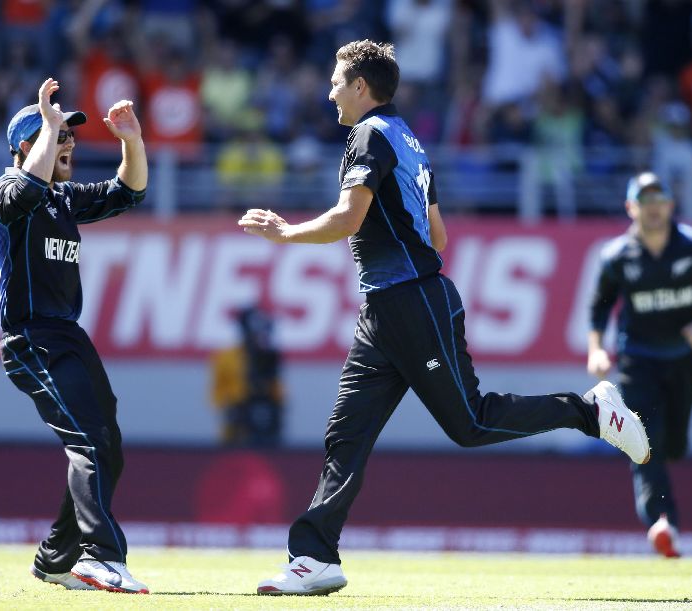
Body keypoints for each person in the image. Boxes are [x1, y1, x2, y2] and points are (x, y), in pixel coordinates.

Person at [238, 39, 650, 596]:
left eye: (337, 81)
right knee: (346, 433)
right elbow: (438, 234)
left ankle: (590, 412)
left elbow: (349, 216)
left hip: (409, 300)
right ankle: (315, 557)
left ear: (361, 87)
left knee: (471, 423)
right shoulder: (408, 138)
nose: (330, 90)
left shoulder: (368, 135)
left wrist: (285, 233)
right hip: (389, 306)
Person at [0, 78, 149, 593]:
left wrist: (131, 140)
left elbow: (130, 191)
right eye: (56, 135)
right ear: (23, 148)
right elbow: (24, 193)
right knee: (88, 441)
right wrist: (46, 131)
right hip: (31, 339)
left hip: (67, 336)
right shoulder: (9, 189)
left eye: (69, 135)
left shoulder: (60, 199)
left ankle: (57, 559)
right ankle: (101, 556)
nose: (68, 143)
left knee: (109, 447)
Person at [587, 171, 692, 558]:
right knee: (643, 442)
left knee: (675, 444)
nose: (653, 210)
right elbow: (599, 307)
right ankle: (662, 522)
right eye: (645, 202)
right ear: (631, 208)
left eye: (660, 202)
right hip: (637, 360)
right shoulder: (617, 256)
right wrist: (596, 349)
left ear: (671, 206)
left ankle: (663, 512)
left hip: (682, 359)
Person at [209, 306, 284, 447]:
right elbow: (216, 392)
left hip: (266, 425)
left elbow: (278, 391)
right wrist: (228, 407)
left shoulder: (268, 356)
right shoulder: (226, 357)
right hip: (235, 425)